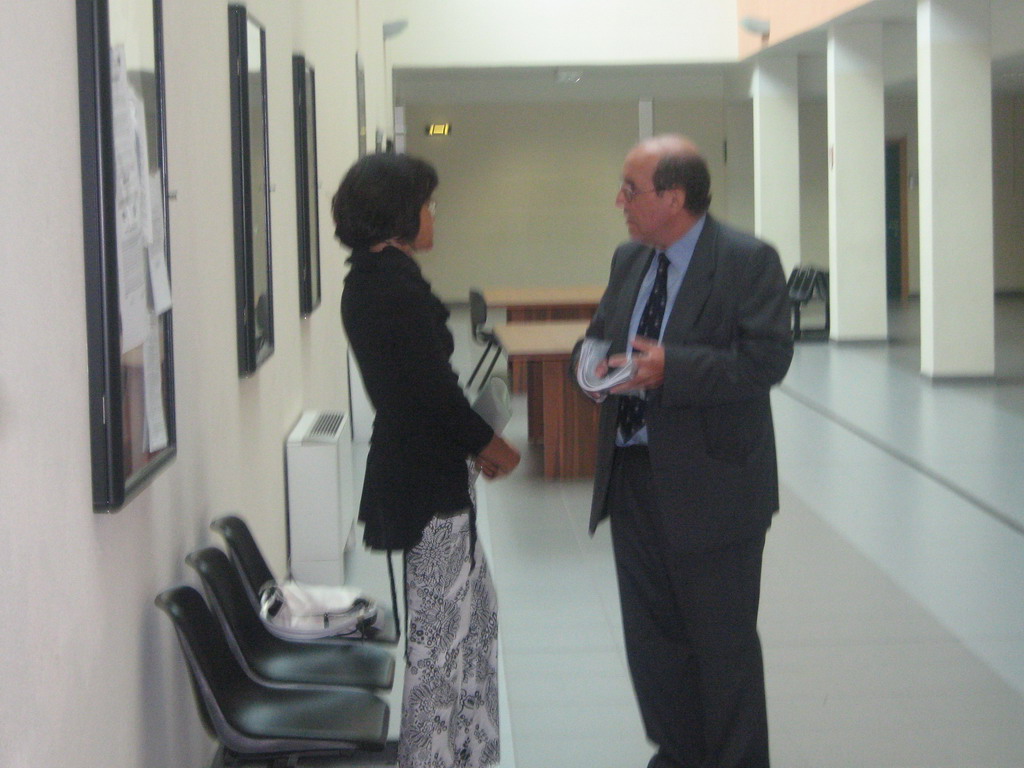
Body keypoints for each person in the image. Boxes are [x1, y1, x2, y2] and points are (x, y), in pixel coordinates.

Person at [580, 135, 793, 768]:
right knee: (653, 643)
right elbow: (600, 338)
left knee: (721, 646)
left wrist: (674, 369)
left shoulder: (747, 260)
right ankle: (679, 754)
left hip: (714, 488)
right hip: (633, 478)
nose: (619, 200)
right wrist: (588, 369)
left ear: (674, 198)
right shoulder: (630, 259)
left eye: (631, 189)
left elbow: (766, 360)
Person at [333, 152, 520, 768]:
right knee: (440, 645)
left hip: (427, 469)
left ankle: (467, 751)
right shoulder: (390, 289)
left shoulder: (380, 278)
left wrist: (472, 443)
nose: (434, 214)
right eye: (427, 203)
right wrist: (488, 444)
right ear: (399, 213)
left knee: (475, 621)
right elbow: (431, 394)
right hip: (424, 484)